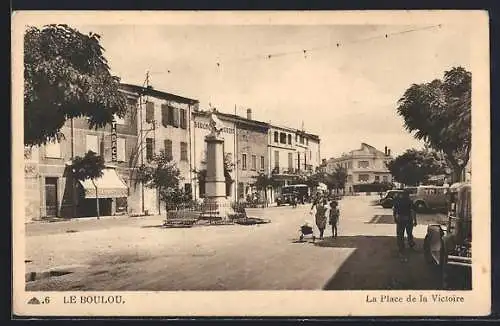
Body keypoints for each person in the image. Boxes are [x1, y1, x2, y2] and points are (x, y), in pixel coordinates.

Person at [393, 189, 417, 258]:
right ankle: (411, 245)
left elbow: (394, 210)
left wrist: (395, 218)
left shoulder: (398, 201)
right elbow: (413, 211)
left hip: (400, 219)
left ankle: (401, 249)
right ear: (407, 195)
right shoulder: (410, 201)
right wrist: (415, 220)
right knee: (409, 233)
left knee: (400, 234)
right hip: (408, 219)